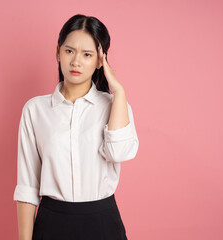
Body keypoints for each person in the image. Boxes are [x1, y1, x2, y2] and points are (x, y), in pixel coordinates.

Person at [13, 14, 139, 240]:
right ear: (58, 51)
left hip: (103, 224)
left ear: (101, 60)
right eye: (69, 51)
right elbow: (27, 186)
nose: (76, 62)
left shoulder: (115, 106)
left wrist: (119, 92)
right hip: (52, 224)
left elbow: (119, 153)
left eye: (87, 54)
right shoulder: (35, 110)